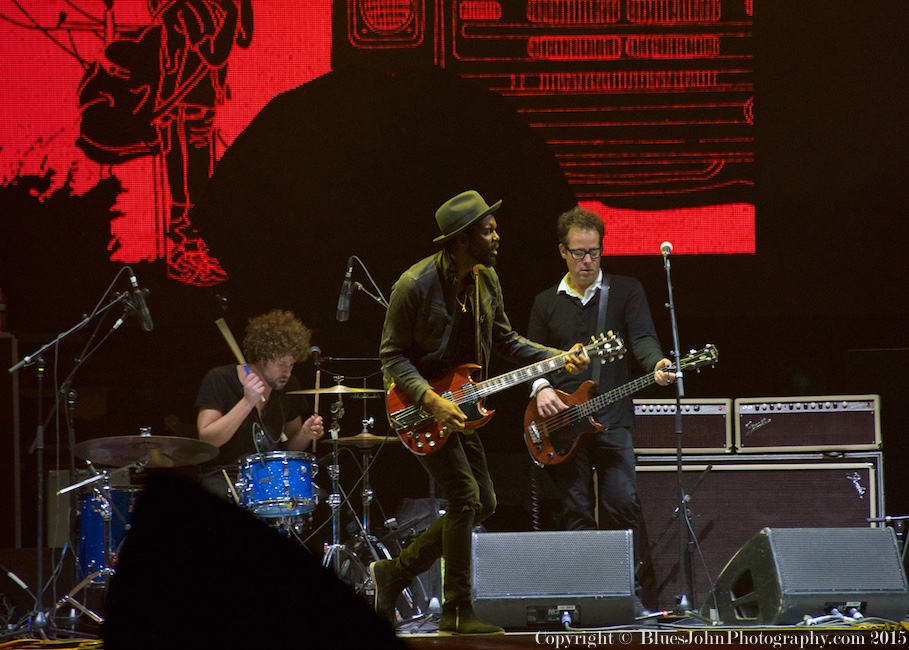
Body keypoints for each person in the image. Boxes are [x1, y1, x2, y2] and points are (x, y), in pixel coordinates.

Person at [371, 190, 590, 635]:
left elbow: (507, 341)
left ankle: (394, 572)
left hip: (461, 401)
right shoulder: (413, 285)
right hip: (417, 406)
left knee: (483, 501)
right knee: (464, 498)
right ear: (460, 241)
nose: (497, 235)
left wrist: (557, 357)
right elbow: (392, 357)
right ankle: (456, 610)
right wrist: (430, 400)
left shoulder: (486, 280)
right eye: (487, 230)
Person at [526, 205, 676, 616]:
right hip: (562, 426)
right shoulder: (544, 303)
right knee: (575, 510)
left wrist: (657, 362)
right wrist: (540, 389)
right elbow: (529, 358)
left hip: (611, 418)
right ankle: (587, 597)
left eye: (594, 252)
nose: (587, 261)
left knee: (623, 503)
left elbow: (643, 338)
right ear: (562, 251)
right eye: (578, 252)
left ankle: (635, 598)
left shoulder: (625, 290)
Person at [195, 309, 325, 498]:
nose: (287, 373)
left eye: (291, 365)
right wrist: (247, 402)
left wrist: (305, 434)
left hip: (271, 474)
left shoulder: (289, 386)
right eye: (281, 364)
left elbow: (290, 449)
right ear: (262, 356)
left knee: (316, 497)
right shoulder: (219, 379)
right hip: (226, 475)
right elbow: (207, 439)